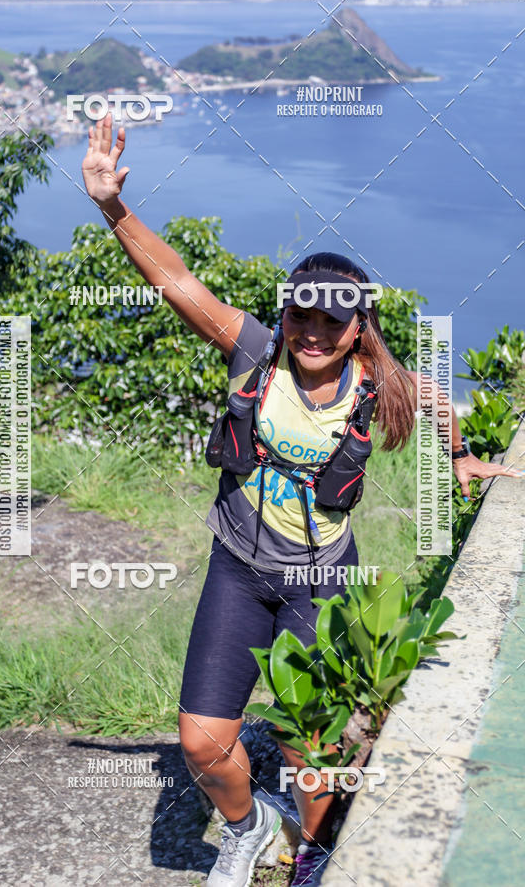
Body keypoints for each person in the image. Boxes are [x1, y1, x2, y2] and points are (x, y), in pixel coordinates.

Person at [81, 115, 522, 887]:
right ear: (283, 316)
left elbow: (441, 403)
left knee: (308, 749)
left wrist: (459, 459)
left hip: (322, 580)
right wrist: (114, 206)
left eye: (332, 320)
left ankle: (313, 853)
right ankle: (249, 828)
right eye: (301, 315)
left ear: (358, 329)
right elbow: (176, 280)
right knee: (201, 743)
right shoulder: (255, 352)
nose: (313, 331)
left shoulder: (384, 385)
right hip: (239, 567)